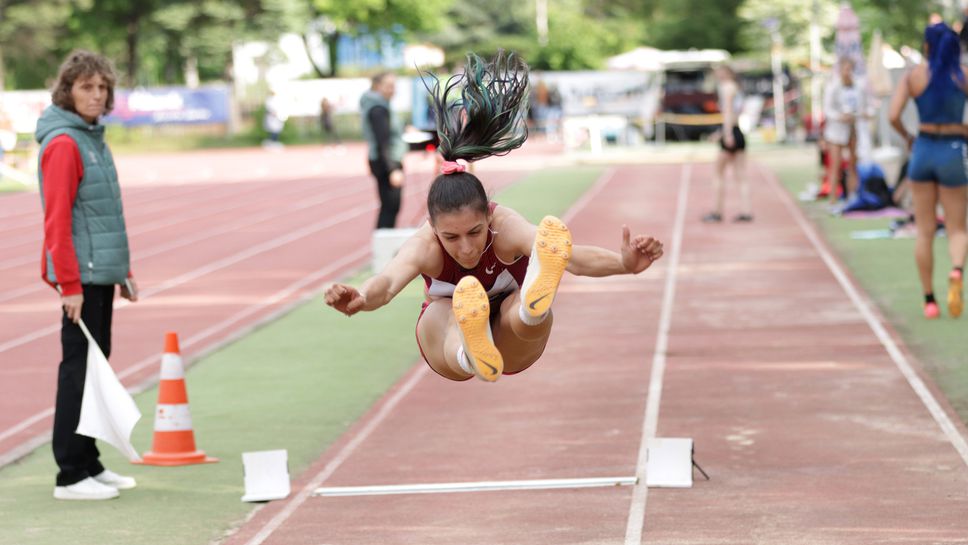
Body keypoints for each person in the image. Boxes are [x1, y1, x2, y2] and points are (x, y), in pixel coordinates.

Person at [325, 51, 665, 382]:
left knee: (516, 308)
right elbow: (385, 284)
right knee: (447, 313)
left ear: (488, 217)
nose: (467, 248)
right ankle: (470, 353)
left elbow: (571, 259)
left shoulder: (505, 226)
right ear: (434, 228)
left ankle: (531, 308)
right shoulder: (424, 245)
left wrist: (625, 264)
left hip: (512, 339)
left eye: (474, 232)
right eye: (451, 238)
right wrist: (363, 297)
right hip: (446, 343)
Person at [35, 50, 139, 500]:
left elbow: (104, 213)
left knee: (96, 372)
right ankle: (70, 475)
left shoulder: (92, 138)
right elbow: (57, 221)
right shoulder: (64, 144)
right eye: (86, 87)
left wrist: (124, 271)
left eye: (102, 88)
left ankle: (89, 461)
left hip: (100, 273)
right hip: (81, 279)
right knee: (78, 372)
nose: (97, 96)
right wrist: (69, 285)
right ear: (68, 91)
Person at [889, 22, 968, 319]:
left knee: (924, 231)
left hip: (922, 150)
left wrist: (909, 137)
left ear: (926, 46)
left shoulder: (913, 77)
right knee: (957, 227)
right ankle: (957, 270)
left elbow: (893, 114)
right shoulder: (962, 76)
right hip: (952, 151)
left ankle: (930, 301)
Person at [702, 64, 750, 223]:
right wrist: (721, 133)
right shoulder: (736, 87)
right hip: (738, 132)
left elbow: (728, 112)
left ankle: (717, 211)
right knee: (740, 175)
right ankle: (745, 210)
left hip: (732, 133)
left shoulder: (726, 88)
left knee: (718, 173)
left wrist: (726, 134)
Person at [360, 72, 407, 229]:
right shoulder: (378, 109)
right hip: (386, 161)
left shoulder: (381, 105)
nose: (392, 90)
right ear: (377, 86)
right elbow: (383, 141)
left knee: (389, 206)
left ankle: (383, 243)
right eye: (388, 86)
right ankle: (383, 246)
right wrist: (392, 169)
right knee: (390, 206)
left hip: (384, 159)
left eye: (394, 86)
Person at [823, 58, 865, 211]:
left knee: (853, 164)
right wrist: (840, 116)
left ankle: (851, 196)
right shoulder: (833, 87)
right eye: (845, 69)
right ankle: (833, 198)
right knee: (835, 165)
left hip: (852, 128)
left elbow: (862, 107)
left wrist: (858, 115)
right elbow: (827, 110)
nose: (848, 72)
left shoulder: (858, 87)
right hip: (836, 131)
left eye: (850, 69)